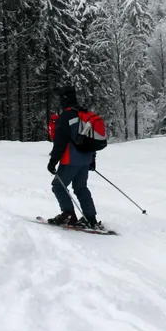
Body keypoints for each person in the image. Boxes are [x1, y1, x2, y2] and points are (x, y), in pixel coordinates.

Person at [47, 86, 100, 229]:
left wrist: (53, 161)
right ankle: (91, 218)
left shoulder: (66, 116)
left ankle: (68, 215)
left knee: (58, 186)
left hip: (70, 159)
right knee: (81, 188)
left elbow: (60, 142)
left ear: (64, 99)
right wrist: (92, 159)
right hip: (86, 159)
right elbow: (91, 139)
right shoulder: (85, 114)